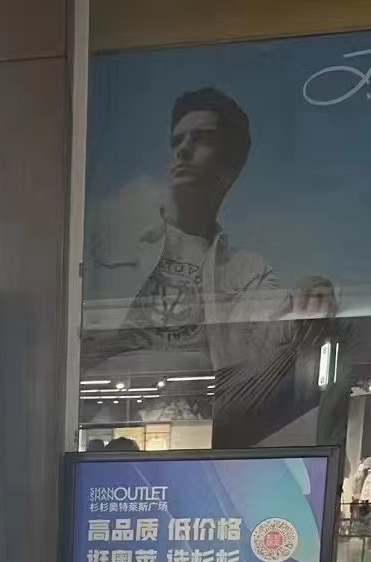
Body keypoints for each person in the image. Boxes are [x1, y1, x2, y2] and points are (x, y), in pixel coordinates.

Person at [83, 87, 284, 375]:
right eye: (177, 140)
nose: (183, 150)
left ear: (231, 164)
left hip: (198, 401)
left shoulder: (249, 273)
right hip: (111, 396)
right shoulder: (111, 235)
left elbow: (279, 330)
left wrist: (313, 293)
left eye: (201, 139)